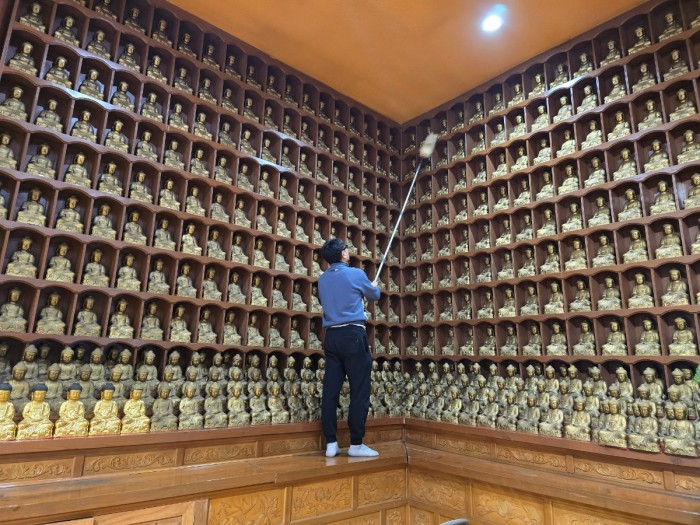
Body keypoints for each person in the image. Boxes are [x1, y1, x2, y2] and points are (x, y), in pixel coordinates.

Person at [318, 238, 380, 458]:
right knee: (359, 389)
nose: (348, 251)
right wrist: (373, 286)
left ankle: (331, 443)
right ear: (343, 254)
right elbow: (374, 295)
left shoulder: (322, 279)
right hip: (353, 334)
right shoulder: (356, 274)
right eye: (346, 249)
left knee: (331, 390)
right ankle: (355, 443)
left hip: (332, 336)